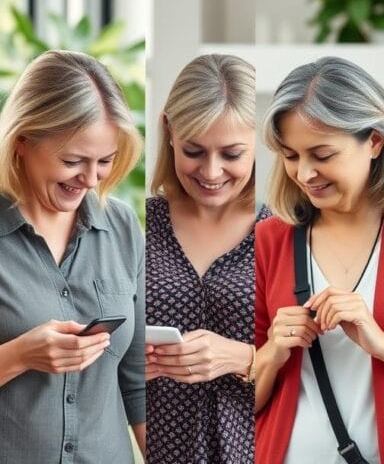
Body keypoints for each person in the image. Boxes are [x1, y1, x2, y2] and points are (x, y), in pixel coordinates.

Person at [254, 57, 384, 464]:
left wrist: (380, 343)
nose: (305, 174)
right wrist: (273, 351)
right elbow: (240, 404)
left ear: (375, 141)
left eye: (322, 154)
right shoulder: (267, 242)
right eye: (290, 156)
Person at [0, 50, 145, 462]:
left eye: (105, 161)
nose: (91, 178)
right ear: (23, 141)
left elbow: (135, 382)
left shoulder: (120, 226)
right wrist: (18, 355)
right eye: (73, 161)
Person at [145, 54, 268, 463]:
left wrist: (244, 357)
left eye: (232, 154)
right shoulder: (139, 227)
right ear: (169, 132)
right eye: (194, 150)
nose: (211, 172)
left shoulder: (287, 231)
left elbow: (325, 360)